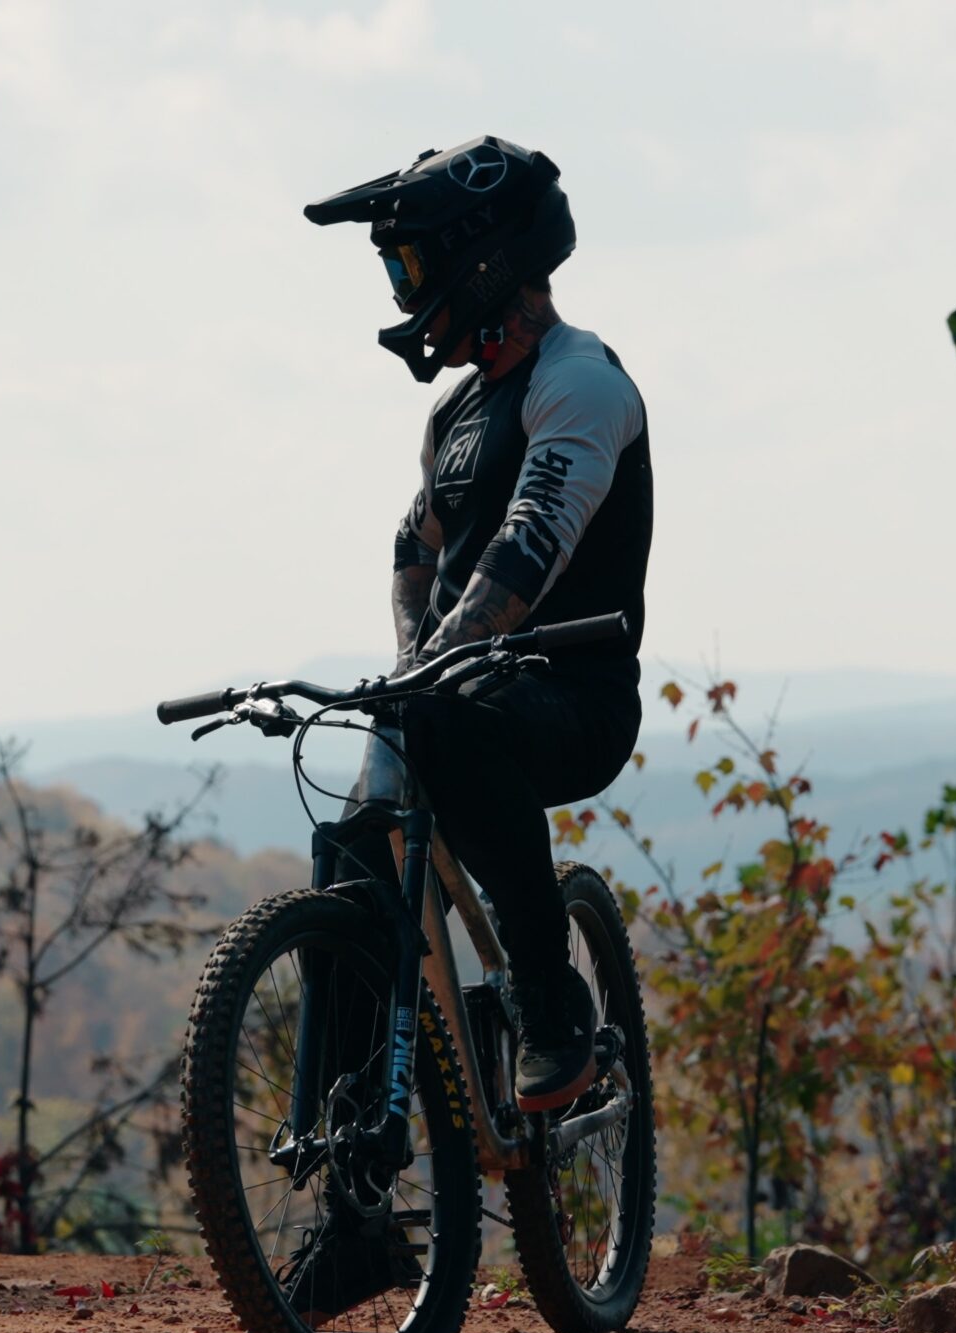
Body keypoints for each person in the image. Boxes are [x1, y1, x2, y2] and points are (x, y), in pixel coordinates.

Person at [307, 136, 653, 1115]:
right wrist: (414, 656)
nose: (401, 291)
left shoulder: (579, 381)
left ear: (485, 258)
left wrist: (440, 665)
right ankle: (355, 1193)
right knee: (350, 860)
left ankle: (551, 1007)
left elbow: (528, 546)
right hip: (457, 690)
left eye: (408, 265)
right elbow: (413, 546)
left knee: (447, 725)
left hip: (573, 696)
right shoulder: (458, 412)